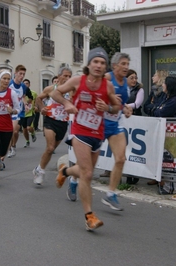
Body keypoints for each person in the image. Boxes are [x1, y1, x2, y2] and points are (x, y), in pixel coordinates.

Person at [52, 47, 121, 231]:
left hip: (97, 134)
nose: (98, 65)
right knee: (88, 174)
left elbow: (116, 106)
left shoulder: (107, 86)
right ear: (89, 64)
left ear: (105, 67)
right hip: (79, 131)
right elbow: (55, 93)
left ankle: (65, 171)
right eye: (95, 62)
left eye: (102, 63)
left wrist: (107, 108)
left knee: (85, 171)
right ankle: (89, 216)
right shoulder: (77, 81)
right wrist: (67, 103)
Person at [96, 52, 133, 211]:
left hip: (115, 124)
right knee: (88, 164)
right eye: (123, 64)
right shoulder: (107, 78)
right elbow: (94, 94)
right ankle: (74, 179)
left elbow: (121, 102)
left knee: (120, 159)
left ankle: (110, 194)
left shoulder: (125, 83)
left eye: (127, 64)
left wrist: (125, 109)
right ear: (115, 66)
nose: (126, 67)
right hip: (99, 124)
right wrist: (107, 104)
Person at [32, 67, 72, 187]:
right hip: (50, 120)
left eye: (70, 76)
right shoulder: (51, 89)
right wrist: (42, 108)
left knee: (51, 149)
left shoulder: (72, 91)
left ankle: (39, 168)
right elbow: (38, 98)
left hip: (63, 123)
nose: (67, 79)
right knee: (50, 148)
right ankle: (41, 172)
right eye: (65, 76)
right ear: (59, 76)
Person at [152, 76, 176, 194]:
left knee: (170, 160)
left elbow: (160, 112)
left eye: (165, 83)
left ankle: (171, 187)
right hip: (165, 134)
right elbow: (156, 108)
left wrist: (156, 110)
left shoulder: (174, 101)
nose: (163, 85)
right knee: (165, 160)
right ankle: (167, 185)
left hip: (172, 135)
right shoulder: (167, 98)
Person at [6, 65, 33, 158]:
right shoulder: (9, 84)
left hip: (18, 111)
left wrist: (26, 105)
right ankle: (9, 148)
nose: (22, 76)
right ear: (15, 73)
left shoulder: (23, 87)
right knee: (10, 131)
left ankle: (13, 146)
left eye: (23, 74)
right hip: (8, 111)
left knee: (15, 131)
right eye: (20, 74)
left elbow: (23, 97)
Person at [124, 69, 144, 185]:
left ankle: (135, 174)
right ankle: (127, 174)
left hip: (135, 118)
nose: (134, 80)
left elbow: (137, 104)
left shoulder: (139, 89)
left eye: (135, 78)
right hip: (125, 119)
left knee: (135, 148)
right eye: (131, 78)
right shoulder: (123, 89)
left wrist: (124, 106)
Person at [20, 79, 37, 148]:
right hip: (23, 113)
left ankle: (32, 133)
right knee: (24, 129)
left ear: (29, 85)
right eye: (24, 84)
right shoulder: (20, 93)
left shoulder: (33, 93)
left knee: (28, 127)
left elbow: (36, 101)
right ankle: (27, 141)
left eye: (27, 83)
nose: (25, 85)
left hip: (30, 112)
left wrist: (36, 106)